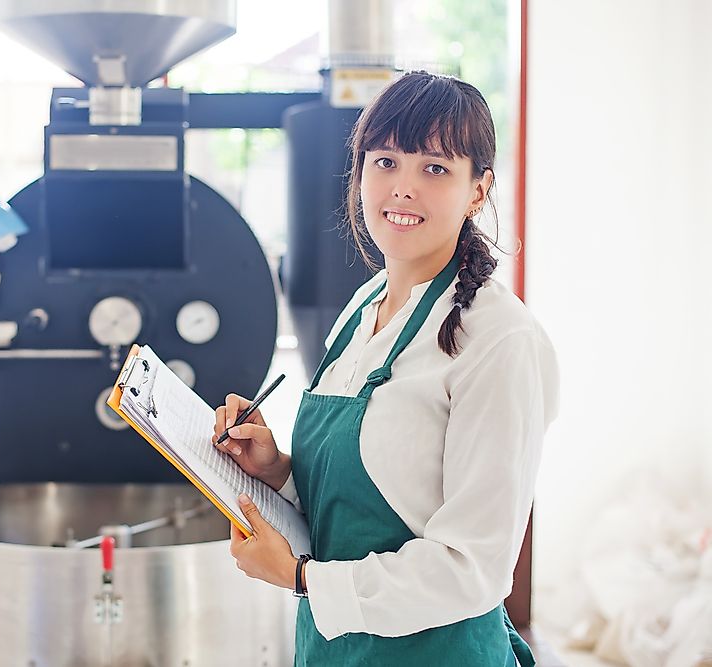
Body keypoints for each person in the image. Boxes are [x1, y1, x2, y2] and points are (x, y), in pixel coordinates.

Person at [211, 71, 559, 666]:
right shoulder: (363, 307)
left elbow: (472, 568)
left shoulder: (500, 339)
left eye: (434, 169)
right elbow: (368, 499)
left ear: (479, 191)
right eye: (385, 162)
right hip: (336, 650)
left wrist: (300, 579)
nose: (402, 188)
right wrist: (275, 470)